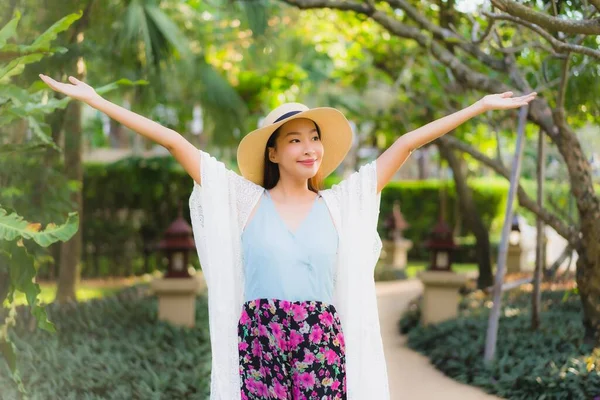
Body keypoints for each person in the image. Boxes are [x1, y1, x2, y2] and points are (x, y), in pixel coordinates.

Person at [39, 74, 536, 399]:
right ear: (273, 153)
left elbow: (406, 143)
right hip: (260, 343)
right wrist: (97, 101)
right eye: (294, 139)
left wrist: (479, 105)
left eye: (313, 137)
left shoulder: (341, 203)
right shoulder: (243, 201)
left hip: (321, 343)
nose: (308, 147)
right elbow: (174, 140)